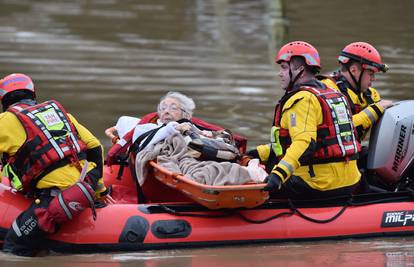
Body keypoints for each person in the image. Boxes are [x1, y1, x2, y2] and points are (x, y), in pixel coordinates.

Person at [0, 73, 114, 256]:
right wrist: (100, 190)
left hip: (56, 196)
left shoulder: (4, 121)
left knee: (14, 247)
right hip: (85, 186)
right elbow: (95, 148)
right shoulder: (60, 114)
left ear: (3, 99)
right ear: (32, 94)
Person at [249, 41, 361, 199]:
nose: (279, 74)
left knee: (250, 177)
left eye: (284, 68)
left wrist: (278, 175)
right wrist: (258, 153)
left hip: (318, 184)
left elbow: (304, 142)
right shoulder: (331, 93)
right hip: (350, 180)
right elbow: (295, 140)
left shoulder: (303, 100)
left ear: (299, 70)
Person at [105, 91, 246, 165]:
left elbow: (225, 133)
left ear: (186, 114)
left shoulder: (194, 125)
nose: (166, 111)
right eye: (163, 108)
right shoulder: (148, 126)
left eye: (173, 108)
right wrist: (110, 159)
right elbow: (127, 140)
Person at [319, 42, 393, 143]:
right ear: (354, 70)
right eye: (370, 73)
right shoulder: (327, 90)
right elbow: (340, 129)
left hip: (352, 153)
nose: (373, 79)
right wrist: (375, 109)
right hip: (328, 157)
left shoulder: (370, 95)